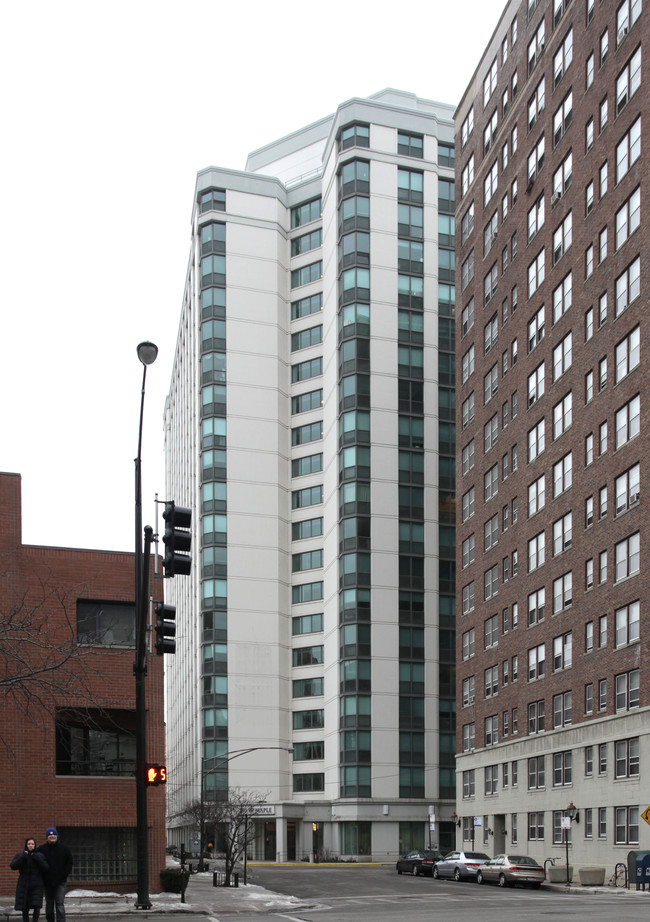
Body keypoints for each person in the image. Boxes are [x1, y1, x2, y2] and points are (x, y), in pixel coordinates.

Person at [36, 828, 73, 922]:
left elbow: (69, 863)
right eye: (50, 835)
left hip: (60, 882)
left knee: (59, 903)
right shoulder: (41, 849)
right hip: (47, 883)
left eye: (54, 835)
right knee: (49, 904)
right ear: (47, 837)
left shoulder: (64, 849)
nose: (52, 836)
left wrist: (64, 875)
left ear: (56, 836)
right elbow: (37, 864)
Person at [10, 837, 49, 922]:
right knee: (25, 906)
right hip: (24, 884)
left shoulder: (39, 855)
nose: (30, 846)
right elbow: (13, 866)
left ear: (35, 845)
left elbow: (45, 867)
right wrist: (23, 857)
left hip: (37, 885)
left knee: (36, 905)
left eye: (32, 844)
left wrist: (36, 857)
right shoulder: (21, 855)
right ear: (26, 845)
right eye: (29, 844)